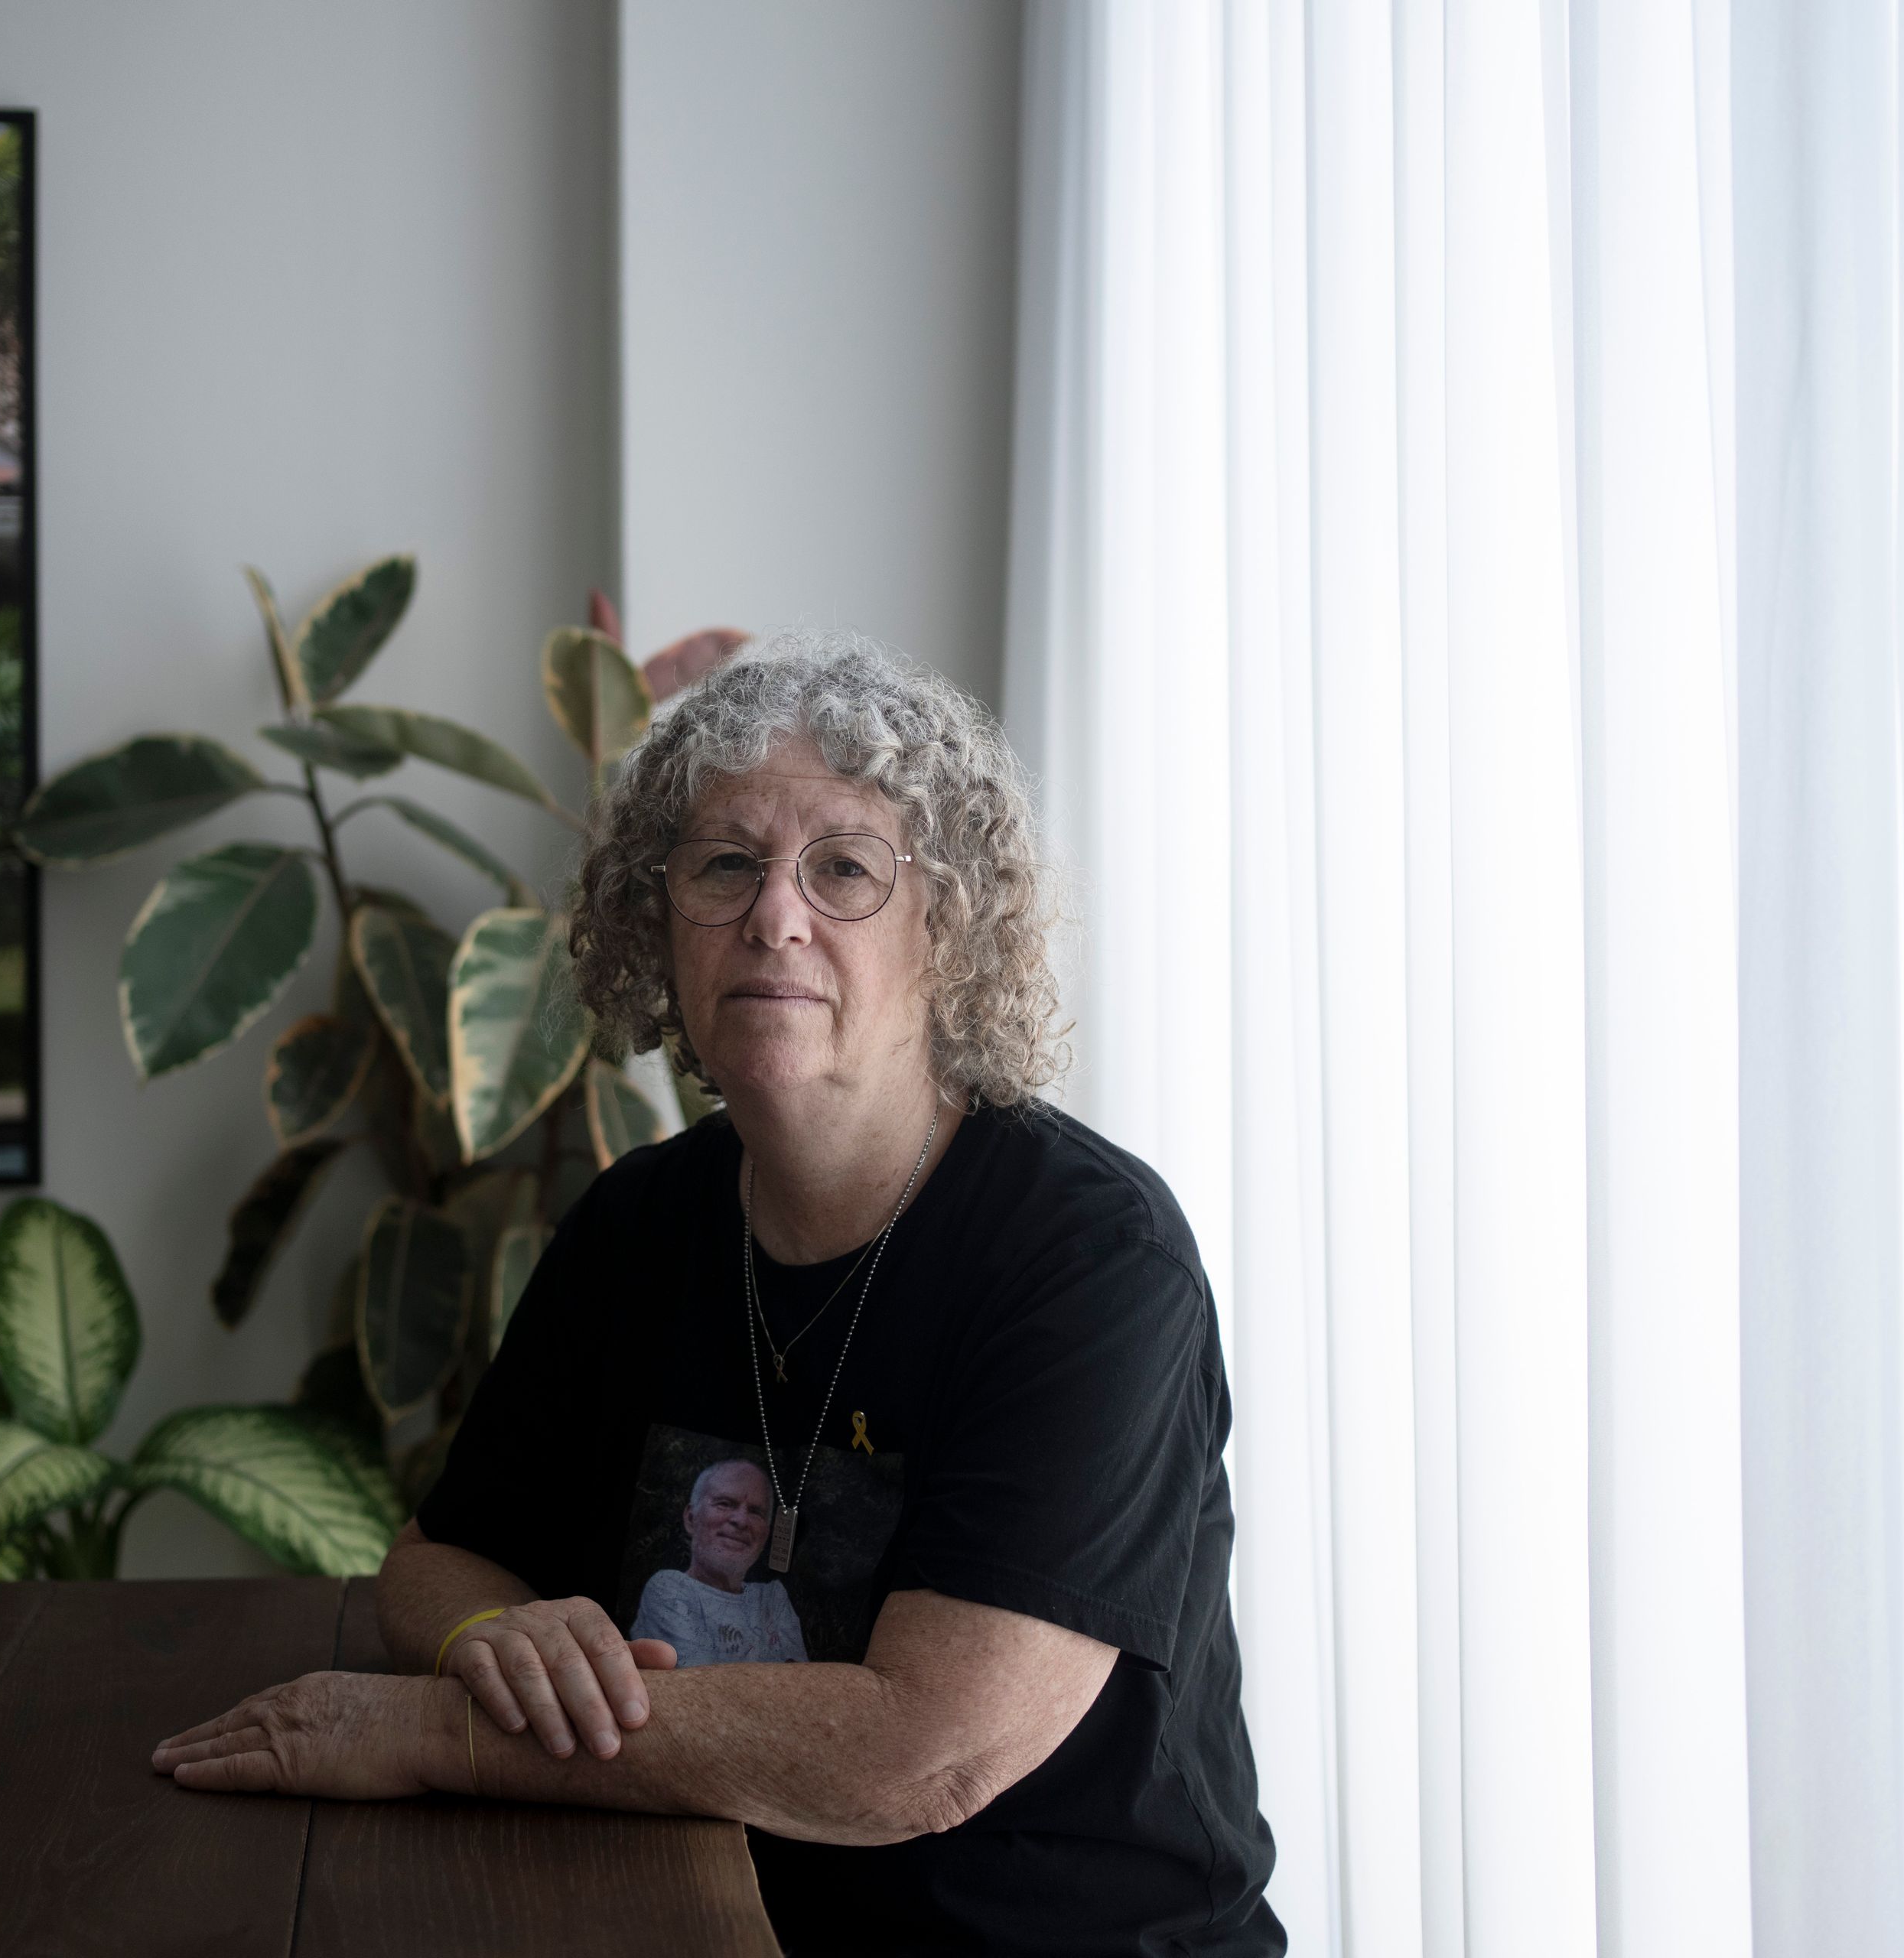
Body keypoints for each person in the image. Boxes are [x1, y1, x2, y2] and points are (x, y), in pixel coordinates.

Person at [153, 631, 1283, 1956]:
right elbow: (436, 1561)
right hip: (695, 1916)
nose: (774, 915)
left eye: (845, 868)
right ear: (658, 918)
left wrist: (433, 1727)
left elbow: (923, 1753)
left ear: (949, 932)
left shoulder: (1091, 1257)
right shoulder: (639, 1220)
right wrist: (495, 1639)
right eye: (725, 865)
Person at [630, 1455, 809, 1667]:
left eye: (755, 1512)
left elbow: (802, 1689)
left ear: (766, 1535)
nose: (741, 1521)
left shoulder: (772, 1599)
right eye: (725, 1504)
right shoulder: (669, 1588)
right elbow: (700, 1686)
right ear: (691, 1518)